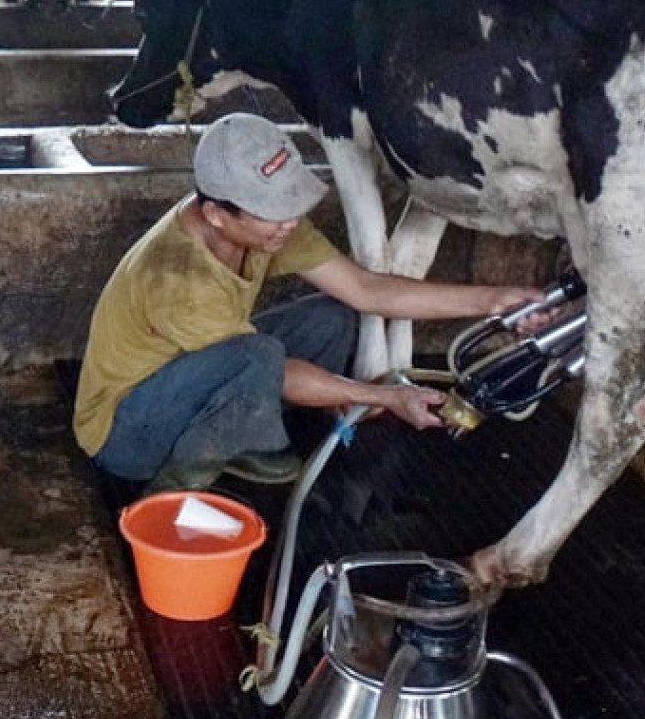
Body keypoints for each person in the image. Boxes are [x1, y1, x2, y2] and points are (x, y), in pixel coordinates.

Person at [73, 113, 545, 493]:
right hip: (127, 433)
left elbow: (367, 290)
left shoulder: (265, 227)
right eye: (273, 212)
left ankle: (264, 425)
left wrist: (494, 299)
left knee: (334, 316)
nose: (288, 222)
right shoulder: (177, 276)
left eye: (291, 204)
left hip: (192, 370)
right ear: (215, 214)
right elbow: (267, 364)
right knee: (259, 354)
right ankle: (181, 481)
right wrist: (382, 396)